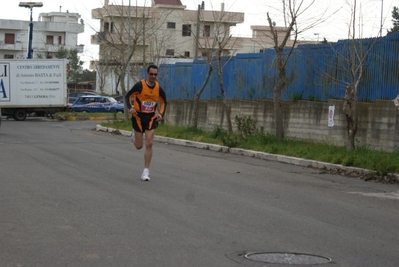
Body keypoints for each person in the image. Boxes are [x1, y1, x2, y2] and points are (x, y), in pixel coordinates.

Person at [125, 65, 167, 181]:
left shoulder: (158, 88)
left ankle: (145, 171)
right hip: (138, 117)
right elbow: (128, 96)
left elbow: (164, 102)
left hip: (151, 118)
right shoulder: (140, 85)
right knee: (139, 146)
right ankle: (134, 135)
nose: (153, 76)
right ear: (147, 74)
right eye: (151, 74)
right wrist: (130, 108)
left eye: (155, 74)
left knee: (149, 144)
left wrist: (161, 114)